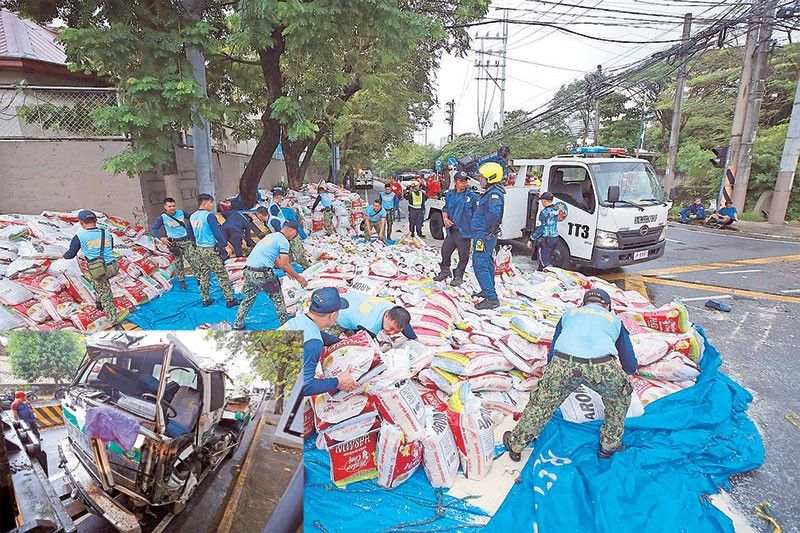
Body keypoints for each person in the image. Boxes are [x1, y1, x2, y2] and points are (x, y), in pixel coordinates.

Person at [503, 289, 638, 461]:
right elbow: (630, 363)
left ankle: (515, 445)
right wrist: (621, 379)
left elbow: (553, 351)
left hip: (563, 361)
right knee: (619, 398)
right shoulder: (614, 320)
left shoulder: (569, 314)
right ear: (608, 306)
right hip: (600, 365)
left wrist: (553, 378)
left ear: (583, 304)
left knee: (541, 404)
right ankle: (608, 447)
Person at [280, 288, 358, 396]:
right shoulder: (314, 344)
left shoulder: (300, 320)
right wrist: (338, 381)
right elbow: (304, 387)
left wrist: (342, 342)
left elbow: (317, 334)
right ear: (333, 315)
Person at [233, 221, 308, 329]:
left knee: (248, 298)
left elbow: (277, 261)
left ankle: (237, 323)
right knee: (278, 299)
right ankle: (285, 325)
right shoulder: (283, 241)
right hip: (262, 273)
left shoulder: (272, 236)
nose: (294, 236)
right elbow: (284, 263)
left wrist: (286, 271)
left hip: (248, 271)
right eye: (295, 234)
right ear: (291, 230)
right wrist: (298, 277)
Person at [63, 210, 120, 324]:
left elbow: (70, 255)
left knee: (105, 292)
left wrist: (61, 255)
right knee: (98, 282)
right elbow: (111, 248)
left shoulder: (79, 236)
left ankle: (113, 319)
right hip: (113, 266)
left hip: (99, 270)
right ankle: (99, 303)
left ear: (81, 222)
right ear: (96, 221)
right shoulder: (106, 233)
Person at [189, 194, 241, 308]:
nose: (212, 205)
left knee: (204, 274)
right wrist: (225, 245)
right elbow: (217, 232)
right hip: (209, 249)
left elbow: (191, 234)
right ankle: (230, 299)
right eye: (210, 203)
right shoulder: (209, 216)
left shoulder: (192, 216)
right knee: (221, 274)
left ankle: (205, 299)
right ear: (204, 203)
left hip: (199, 248)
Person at [471, 162, 506, 310]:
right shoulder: (492, 192)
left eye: (482, 177)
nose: (480, 180)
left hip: (484, 235)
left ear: (491, 178)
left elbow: (494, 213)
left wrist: (487, 229)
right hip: (484, 233)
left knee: (480, 264)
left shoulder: (494, 195)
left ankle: (492, 298)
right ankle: (487, 290)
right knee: (487, 262)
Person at [433, 172, 478, 286]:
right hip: (452, 231)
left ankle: (458, 275)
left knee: (463, 255)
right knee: (445, 251)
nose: (464, 184)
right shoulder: (450, 195)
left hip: (464, 232)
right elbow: (445, 208)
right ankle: (445, 271)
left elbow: (478, 214)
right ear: (455, 182)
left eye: (466, 181)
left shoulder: (471, 197)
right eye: (461, 181)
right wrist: (445, 219)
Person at [151, 197, 197, 289]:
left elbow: (192, 218)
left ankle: (199, 279)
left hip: (186, 241)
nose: (172, 208)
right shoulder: (162, 218)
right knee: (178, 263)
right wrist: (162, 238)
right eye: (169, 206)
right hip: (174, 243)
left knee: (193, 260)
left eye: (173, 206)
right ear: (165, 207)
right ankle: (181, 282)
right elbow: (154, 229)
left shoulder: (181, 213)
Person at [333, 290, 417, 340]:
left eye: (397, 331)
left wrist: (415, 340)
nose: (392, 333)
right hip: (337, 314)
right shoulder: (371, 327)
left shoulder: (393, 308)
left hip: (348, 297)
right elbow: (369, 343)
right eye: (391, 328)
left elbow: (404, 323)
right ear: (386, 315)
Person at [264, 188, 310, 268]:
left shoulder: (273, 205)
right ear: (277, 196)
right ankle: (304, 266)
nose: (282, 198)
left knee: (289, 251)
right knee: (296, 250)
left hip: (285, 232)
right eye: (282, 196)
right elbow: (276, 222)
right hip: (286, 232)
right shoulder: (273, 207)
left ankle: (291, 266)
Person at [528, 192, 567, 270]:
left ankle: (549, 275)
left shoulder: (544, 212)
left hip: (546, 239)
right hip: (555, 237)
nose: (541, 202)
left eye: (542, 200)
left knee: (544, 261)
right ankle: (541, 273)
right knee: (547, 258)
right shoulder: (556, 210)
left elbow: (540, 228)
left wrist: (531, 239)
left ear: (545, 201)